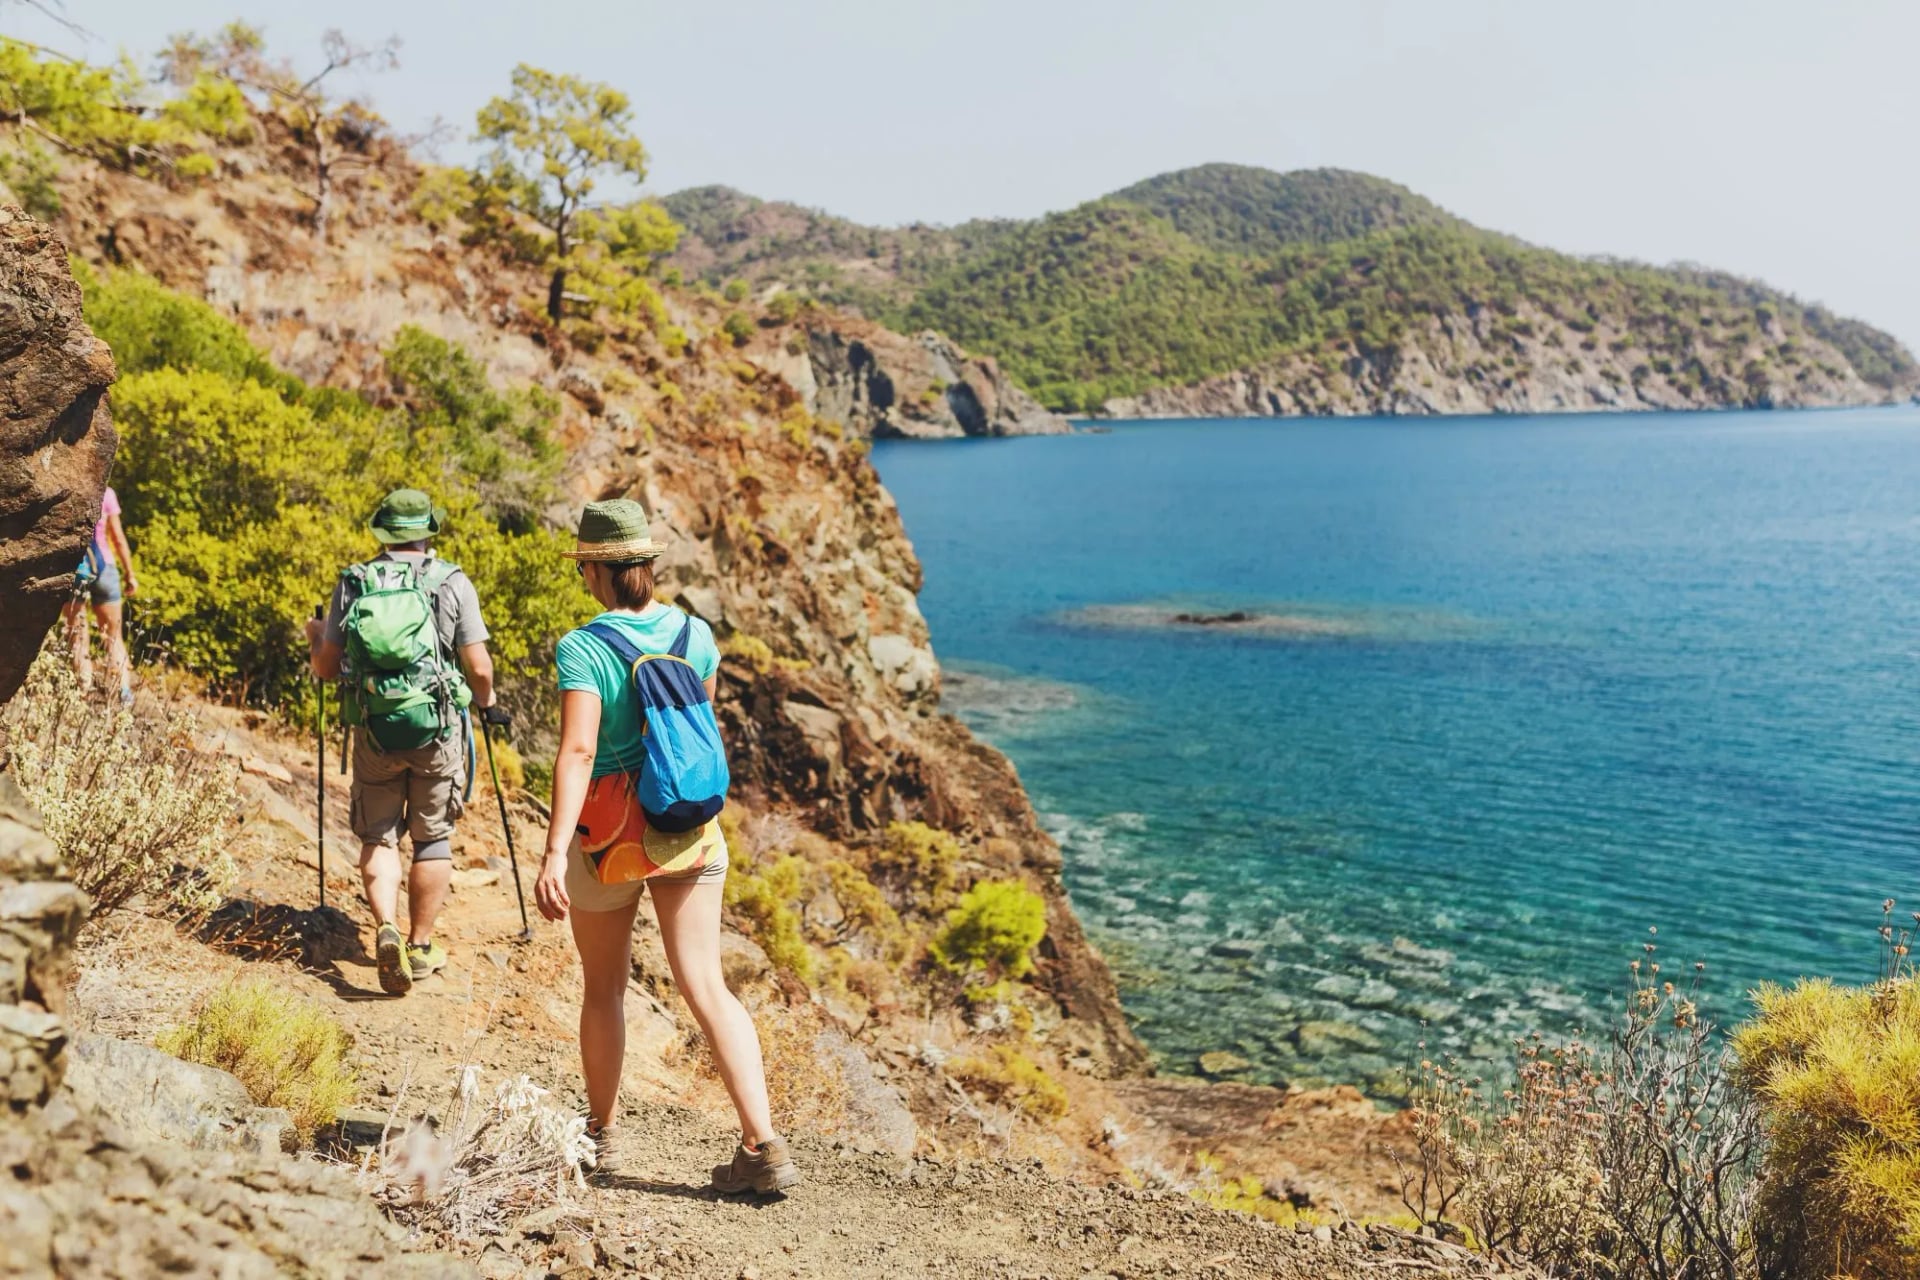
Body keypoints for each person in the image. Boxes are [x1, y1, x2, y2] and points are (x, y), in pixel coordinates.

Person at [534, 498, 799, 1194]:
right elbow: (696, 721)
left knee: (604, 989)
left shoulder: (583, 647)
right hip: (685, 827)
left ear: (592, 569)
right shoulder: (695, 631)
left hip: (607, 840)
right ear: (648, 566)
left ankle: (603, 1138)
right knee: (708, 986)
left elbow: (580, 750)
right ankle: (763, 1146)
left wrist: (551, 849)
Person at [305, 488, 502, 996]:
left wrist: (315, 637)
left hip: (375, 729)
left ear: (382, 533)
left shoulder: (354, 581)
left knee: (380, 836)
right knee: (432, 838)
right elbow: (478, 666)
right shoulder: (452, 581)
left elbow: (326, 669)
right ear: (427, 530)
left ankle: (386, 925)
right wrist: (488, 703)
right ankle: (419, 946)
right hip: (437, 729)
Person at [65, 484, 138, 705]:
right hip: (104, 567)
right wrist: (130, 574)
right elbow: (118, 538)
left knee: (77, 635)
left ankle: (83, 691)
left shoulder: (69, 490)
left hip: (76, 568)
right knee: (113, 636)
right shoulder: (107, 493)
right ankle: (124, 692)